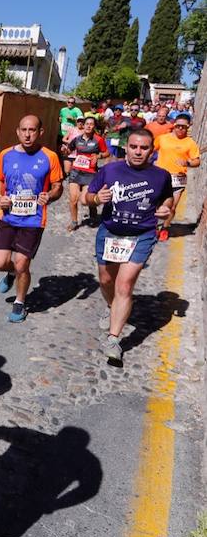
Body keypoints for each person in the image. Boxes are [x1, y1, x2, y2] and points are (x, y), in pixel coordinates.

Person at [86, 129, 173, 365]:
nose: (138, 151)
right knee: (106, 280)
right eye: (134, 146)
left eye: (144, 148)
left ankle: (114, 340)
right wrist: (96, 200)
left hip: (141, 235)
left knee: (124, 284)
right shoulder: (110, 170)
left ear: (151, 150)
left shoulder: (161, 176)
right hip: (110, 232)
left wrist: (166, 209)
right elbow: (89, 195)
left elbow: (167, 199)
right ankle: (110, 304)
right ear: (126, 147)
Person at [0, 115, 64, 323]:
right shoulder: (5, 154)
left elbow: (58, 186)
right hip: (7, 217)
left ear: (40, 132)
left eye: (32, 130)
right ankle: (11, 274)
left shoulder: (49, 156)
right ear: (18, 131)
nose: (27, 134)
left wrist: (49, 196)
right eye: (24, 130)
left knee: (22, 264)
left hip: (33, 220)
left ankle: (20, 303)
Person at [154, 114, 201, 241]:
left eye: (183, 127)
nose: (180, 129)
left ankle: (165, 228)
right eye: (178, 126)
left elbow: (197, 161)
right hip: (160, 176)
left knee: (172, 207)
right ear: (174, 125)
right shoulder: (162, 138)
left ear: (188, 127)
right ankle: (153, 226)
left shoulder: (190, 143)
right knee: (155, 204)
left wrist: (188, 163)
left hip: (178, 179)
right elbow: (151, 149)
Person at [65, 116, 109, 231]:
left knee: (84, 201)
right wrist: (65, 150)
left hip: (90, 173)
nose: (88, 126)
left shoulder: (98, 140)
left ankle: (93, 211)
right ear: (83, 126)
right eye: (87, 124)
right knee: (73, 199)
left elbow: (106, 153)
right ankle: (74, 222)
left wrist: (98, 156)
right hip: (76, 171)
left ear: (94, 126)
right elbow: (69, 150)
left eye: (91, 124)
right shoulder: (77, 139)